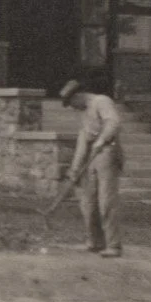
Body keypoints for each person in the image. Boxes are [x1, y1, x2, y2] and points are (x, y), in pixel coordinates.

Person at [60, 77, 124, 257]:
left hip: (107, 152)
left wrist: (102, 140)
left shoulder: (101, 101)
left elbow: (113, 122)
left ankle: (114, 245)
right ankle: (95, 242)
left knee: (106, 201)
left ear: (79, 95)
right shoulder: (84, 112)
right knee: (87, 201)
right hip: (92, 155)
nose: (72, 107)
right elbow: (83, 140)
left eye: (71, 102)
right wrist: (74, 168)